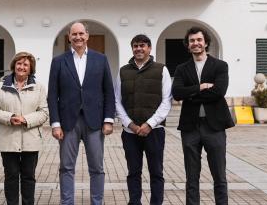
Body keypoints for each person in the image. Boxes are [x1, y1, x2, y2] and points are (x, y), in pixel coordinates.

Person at [47, 21, 116, 205]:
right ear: (69, 37)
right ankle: (67, 202)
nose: (78, 37)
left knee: (97, 168)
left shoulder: (101, 59)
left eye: (81, 34)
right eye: (74, 34)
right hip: (68, 122)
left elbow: (108, 91)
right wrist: (55, 124)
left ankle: (97, 202)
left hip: (95, 121)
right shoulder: (58, 62)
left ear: (87, 36)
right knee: (66, 167)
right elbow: (52, 95)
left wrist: (109, 119)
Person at [171, 27, 235, 205]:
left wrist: (189, 94)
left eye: (199, 40)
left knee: (219, 175)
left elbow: (218, 92)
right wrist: (200, 87)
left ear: (205, 42)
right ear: (188, 45)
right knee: (191, 177)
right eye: (192, 41)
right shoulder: (182, 68)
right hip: (190, 127)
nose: (195, 43)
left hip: (214, 126)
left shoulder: (220, 66)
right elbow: (176, 93)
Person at [114, 34, 172, 205]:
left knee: (156, 172)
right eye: (135, 46)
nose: (139, 48)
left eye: (142, 45)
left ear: (149, 48)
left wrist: (149, 124)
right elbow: (117, 100)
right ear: (132, 48)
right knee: (133, 172)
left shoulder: (161, 69)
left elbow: (167, 100)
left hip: (154, 131)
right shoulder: (123, 71)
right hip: (130, 132)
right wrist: (129, 124)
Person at [0, 52, 49, 205]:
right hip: (7, 140)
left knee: (29, 177)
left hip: (31, 140)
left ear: (30, 69)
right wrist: (10, 117)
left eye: (25, 65)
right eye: (19, 63)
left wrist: (25, 119)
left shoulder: (39, 88)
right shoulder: (0, 86)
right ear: (14, 66)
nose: (22, 67)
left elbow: (44, 112)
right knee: (11, 177)